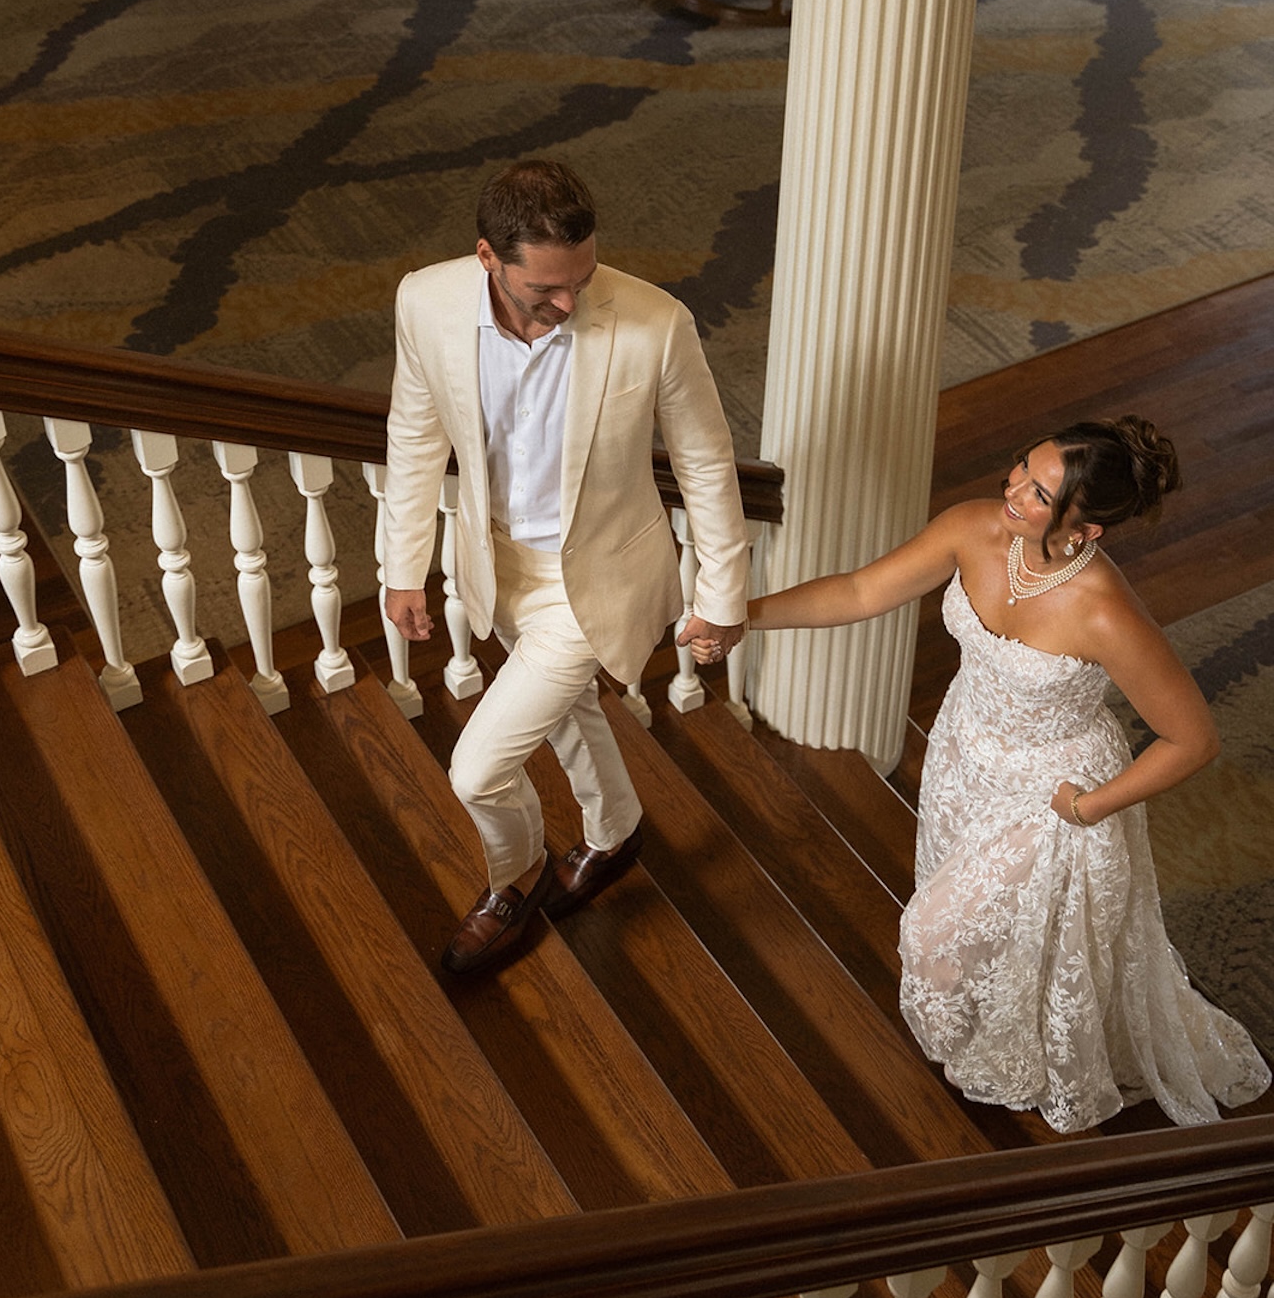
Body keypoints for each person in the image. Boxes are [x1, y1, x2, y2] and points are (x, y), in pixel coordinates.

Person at [739, 416, 1270, 1133]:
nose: (1013, 490)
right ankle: (1002, 1041)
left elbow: (1193, 738)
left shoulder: (1105, 613)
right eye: (1022, 467)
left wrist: (1089, 808)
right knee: (998, 934)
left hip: (1053, 795)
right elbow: (862, 592)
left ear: (1086, 532)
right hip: (963, 757)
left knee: (933, 933)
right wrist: (745, 616)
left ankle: (1002, 1071)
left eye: (1041, 494)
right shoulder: (972, 527)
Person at [384, 159, 748, 975]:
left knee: (478, 771)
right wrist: (404, 564)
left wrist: (722, 595)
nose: (568, 304)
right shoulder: (425, 301)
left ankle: (512, 881)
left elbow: (705, 461)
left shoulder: (656, 322)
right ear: (488, 258)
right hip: (495, 565)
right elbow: (414, 434)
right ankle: (615, 832)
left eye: (581, 280)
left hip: (594, 581)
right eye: (544, 289)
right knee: (567, 709)